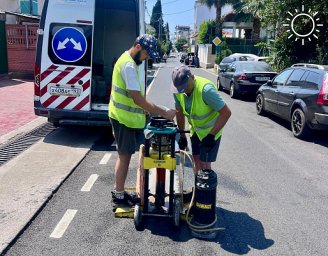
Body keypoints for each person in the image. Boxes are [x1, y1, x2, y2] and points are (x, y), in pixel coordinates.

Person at [108, 34, 176, 209]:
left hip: (130, 118)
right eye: (146, 54)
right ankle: (118, 195)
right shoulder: (129, 66)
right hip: (123, 118)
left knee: (129, 155)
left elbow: (138, 95)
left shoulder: (134, 62)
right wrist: (162, 111)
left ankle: (120, 191)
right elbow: (137, 98)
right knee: (124, 157)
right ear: (138, 46)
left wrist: (147, 110)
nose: (147, 58)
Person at [171, 65, 231, 171]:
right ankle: (198, 184)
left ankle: (206, 186)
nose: (184, 91)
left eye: (186, 87)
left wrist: (211, 136)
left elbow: (226, 113)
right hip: (196, 130)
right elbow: (179, 113)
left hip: (211, 132)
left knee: (205, 165)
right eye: (181, 89)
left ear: (193, 77)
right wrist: (182, 136)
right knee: (197, 161)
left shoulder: (206, 91)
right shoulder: (178, 90)